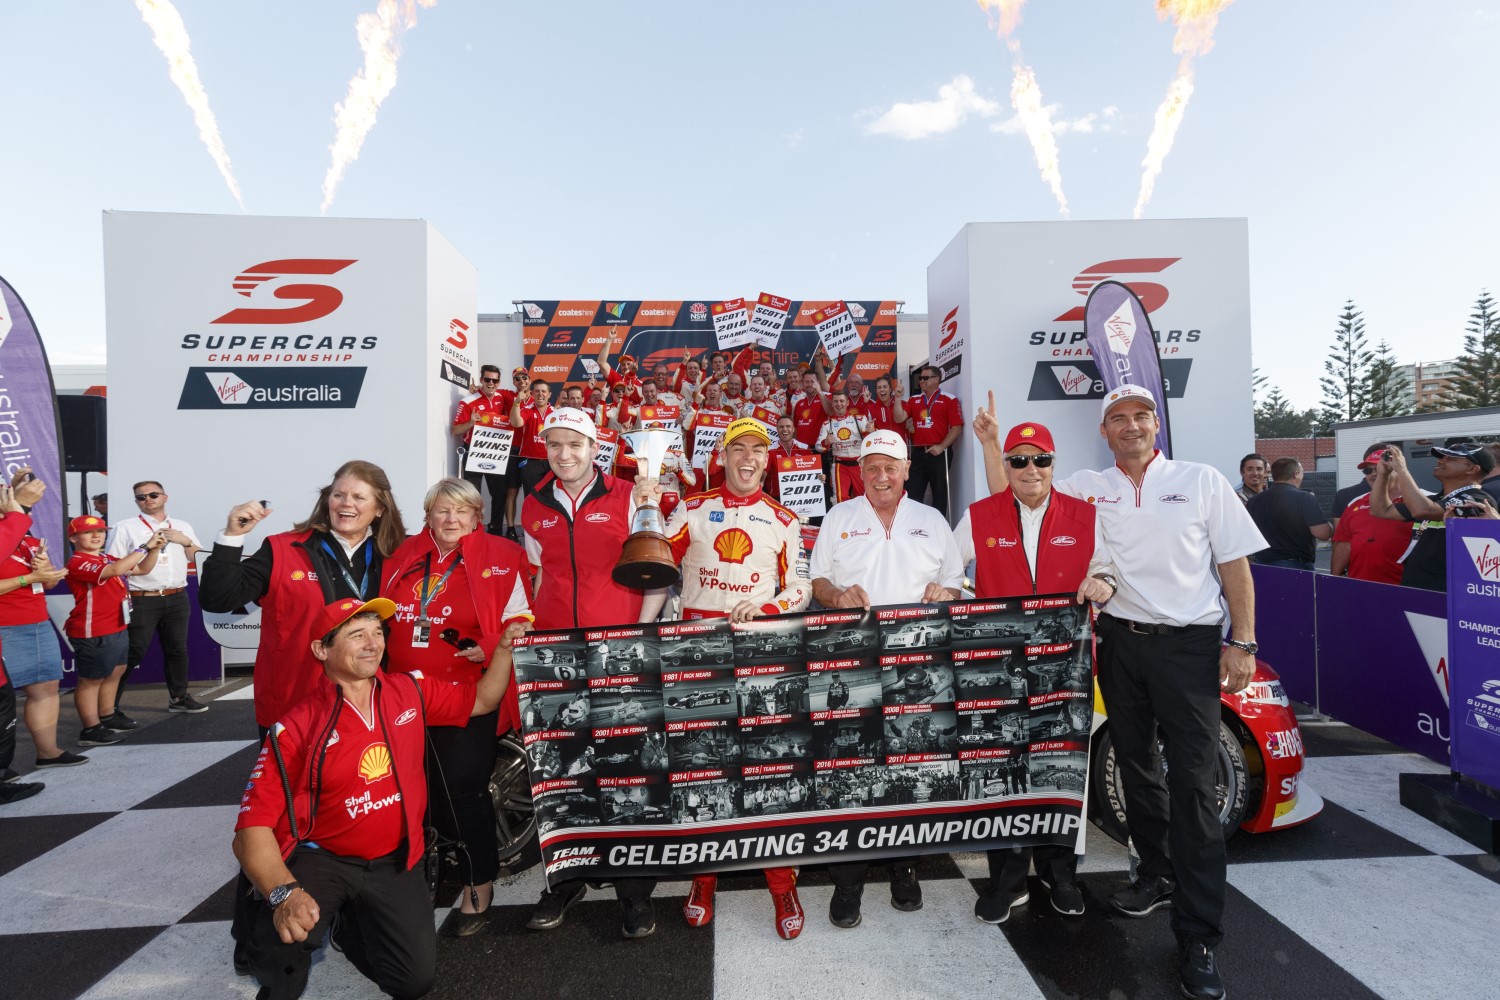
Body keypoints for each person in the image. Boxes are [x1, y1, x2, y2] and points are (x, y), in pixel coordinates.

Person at [981, 384, 1264, 1000]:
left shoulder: (1201, 479)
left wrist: (1242, 642)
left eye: (1140, 416)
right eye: (1118, 419)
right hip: (1118, 644)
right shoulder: (1087, 486)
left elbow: (1234, 562)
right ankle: (1157, 873)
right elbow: (1017, 495)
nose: (1131, 426)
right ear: (1103, 432)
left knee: (1192, 781)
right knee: (1135, 768)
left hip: (1189, 644)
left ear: (1155, 426)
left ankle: (1198, 934)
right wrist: (989, 445)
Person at [232, 596, 514, 1000]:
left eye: (378, 632)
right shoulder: (296, 726)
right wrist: (284, 893)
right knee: (283, 948)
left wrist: (502, 650)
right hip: (323, 857)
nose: (372, 643)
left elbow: (483, 700)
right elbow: (249, 829)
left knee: (412, 982)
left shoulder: (409, 690)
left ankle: (347, 926)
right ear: (321, 649)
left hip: (394, 860)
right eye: (356, 634)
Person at [639, 417, 812, 940]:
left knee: (767, 771)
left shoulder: (785, 517)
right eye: (739, 448)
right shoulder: (691, 508)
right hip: (696, 653)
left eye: (758, 450)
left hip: (760, 653)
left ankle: (782, 886)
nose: (749, 458)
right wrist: (646, 502)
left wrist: (767, 606)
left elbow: (801, 586)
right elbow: (650, 557)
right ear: (723, 455)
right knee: (703, 771)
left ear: (768, 459)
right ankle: (702, 879)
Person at [962, 416, 1118, 924]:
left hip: (1066, 672)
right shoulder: (979, 515)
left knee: (1063, 772)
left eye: (1041, 459)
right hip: (999, 669)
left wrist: (1102, 585)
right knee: (1005, 773)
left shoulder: (1085, 515)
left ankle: (1061, 874)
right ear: (1006, 466)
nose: (1031, 469)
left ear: (1055, 464)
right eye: (1019, 460)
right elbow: (942, 569)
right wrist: (956, 594)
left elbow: (1108, 570)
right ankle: (1006, 880)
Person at [807, 429, 964, 928]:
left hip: (916, 669)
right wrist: (835, 597)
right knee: (852, 769)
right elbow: (818, 581)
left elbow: (959, 585)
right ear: (859, 472)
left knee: (909, 765)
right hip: (853, 663)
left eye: (889, 467)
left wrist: (948, 592)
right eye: (870, 467)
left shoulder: (933, 520)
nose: (880, 476)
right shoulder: (839, 516)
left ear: (906, 471)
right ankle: (848, 882)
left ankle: (905, 867)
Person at [520, 407, 662, 937]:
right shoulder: (532, 502)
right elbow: (535, 578)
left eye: (574, 444)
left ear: (594, 445)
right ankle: (565, 880)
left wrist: (638, 635)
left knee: (625, 767)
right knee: (562, 772)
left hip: (618, 648)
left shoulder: (631, 494)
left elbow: (657, 570)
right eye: (554, 445)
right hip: (556, 653)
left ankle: (633, 891)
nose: (564, 454)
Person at [380, 477, 533, 937]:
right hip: (401, 693)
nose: (450, 519)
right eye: (441, 510)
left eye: (461, 510)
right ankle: (416, 873)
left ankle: (477, 881)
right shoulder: (401, 556)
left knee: (462, 791)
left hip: (469, 692)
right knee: (408, 790)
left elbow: (524, 616)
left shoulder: (503, 556)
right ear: (427, 515)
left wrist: (489, 645)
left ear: (476, 516)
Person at [0, 474, 84, 769]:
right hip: (5, 625)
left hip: (36, 620)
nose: (7, 495)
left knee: (46, 687)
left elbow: (45, 585)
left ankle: (48, 752)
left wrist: (46, 574)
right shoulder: (4, 536)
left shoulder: (28, 538)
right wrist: (30, 577)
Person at [64, 515, 168, 746]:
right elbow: (118, 569)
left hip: (117, 623)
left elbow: (141, 570)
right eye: (87, 532)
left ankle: (107, 716)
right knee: (91, 680)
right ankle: (90, 730)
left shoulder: (105, 556)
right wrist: (145, 546)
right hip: (93, 629)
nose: (96, 535)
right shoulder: (77, 561)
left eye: (100, 531)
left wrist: (154, 550)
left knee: (116, 671)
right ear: (73, 538)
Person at [104, 480, 206, 714]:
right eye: (141, 497)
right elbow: (113, 564)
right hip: (142, 597)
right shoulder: (125, 527)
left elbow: (197, 557)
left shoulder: (181, 526)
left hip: (177, 595)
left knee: (177, 649)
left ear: (164, 497)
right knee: (133, 651)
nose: (148, 499)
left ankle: (179, 698)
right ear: (136, 501)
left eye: (153, 494)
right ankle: (109, 707)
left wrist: (185, 541)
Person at [1368, 443, 1497, 591]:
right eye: (1442, 457)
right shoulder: (1437, 499)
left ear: (1473, 469)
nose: (1441, 460)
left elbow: (1422, 510)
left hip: (1444, 591)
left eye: (1451, 459)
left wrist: (1402, 469)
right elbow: (1381, 510)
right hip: (1417, 586)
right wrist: (1383, 475)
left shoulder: (1476, 499)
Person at [452, 363, 514, 536]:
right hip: (473, 450)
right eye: (487, 379)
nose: (491, 383)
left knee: (500, 494)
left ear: (499, 382)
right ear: (481, 380)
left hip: (497, 452)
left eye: (494, 380)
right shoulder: (467, 401)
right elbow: (455, 430)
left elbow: (521, 397)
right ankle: (473, 531)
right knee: (472, 495)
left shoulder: (502, 396)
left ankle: (495, 530)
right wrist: (471, 422)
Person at [1246, 458, 1332, 570]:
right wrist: (1331, 527)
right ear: (1296, 474)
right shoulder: (1304, 498)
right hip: (1295, 566)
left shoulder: (1254, 501)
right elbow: (1323, 534)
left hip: (1262, 564)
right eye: (1302, 472)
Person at [907, 365, 963, 519]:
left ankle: (939, 531)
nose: (921, 381)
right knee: (912, 495)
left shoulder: (949, 399)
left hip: (939, 453)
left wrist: (941, 447)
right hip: (918, 452)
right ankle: (912, 528)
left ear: (937, 379)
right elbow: (899, 418)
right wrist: (898, 397)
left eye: (925, 378)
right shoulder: (914, 399)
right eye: (920, 378)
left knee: (939, 495)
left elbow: (957, 427)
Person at [817, 389, 874, 502]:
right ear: (832, 404)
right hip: (839, 465)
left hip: (859, 464)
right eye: (836, 401)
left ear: (847, 403)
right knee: (839, 499)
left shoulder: (859, 419)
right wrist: (826, 442)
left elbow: (871, 439)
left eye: (842, 401)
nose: (839, 404)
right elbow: (818, 446)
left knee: (865, 498)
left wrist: (870, 430)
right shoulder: (827, 424)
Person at [510, 377, 555, 499]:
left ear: (549, 394)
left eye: (544, 391)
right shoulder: (527, 409)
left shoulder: (556, 413)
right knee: (531, 499)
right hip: (531, 463)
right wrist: (517, 403)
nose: (540, 394)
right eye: (537, 391)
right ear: (532, 393)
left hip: (552, 462)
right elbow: (516, 423)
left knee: (551, 498)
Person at [1330, 445, 1392, 523]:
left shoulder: (1405, 496)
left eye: (1379, 469)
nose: (1374, 473)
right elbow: (1339, 532)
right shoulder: (1344, 496)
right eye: (1368, 470)